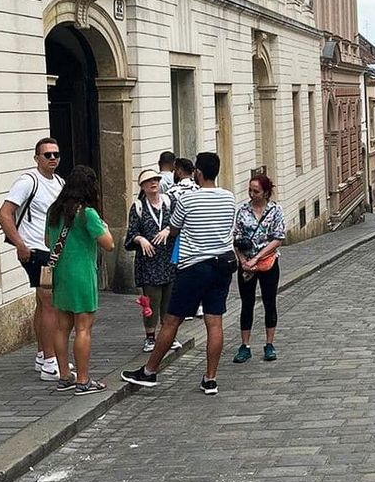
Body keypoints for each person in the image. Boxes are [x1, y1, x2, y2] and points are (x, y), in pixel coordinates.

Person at [121, 151, 237, 396]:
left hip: (195, 266)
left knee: (172, 320)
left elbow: (173, 229)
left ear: (199, 173)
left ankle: (150, 371)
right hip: (224, 264)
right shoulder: (229, 197)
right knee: (214, 322)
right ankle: (210, 379)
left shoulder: (189, 200)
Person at [0, 138, 66, 381]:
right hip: (36, 251)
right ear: (36, 158)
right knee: (50, 303)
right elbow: (4, 214)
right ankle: (49, 362)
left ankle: (41, 355)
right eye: (46, 155)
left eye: (56, 154)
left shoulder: (59, 182)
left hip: (52, 251)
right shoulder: (28, 181)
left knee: (43, 301)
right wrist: (20, 244)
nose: (52, 159)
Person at [45, 165, 114, 392]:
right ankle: (83, 380)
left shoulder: (54, 211)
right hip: (82, 275)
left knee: (61, 328)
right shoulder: (87, 213)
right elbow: (109, 244)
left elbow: (48, 242)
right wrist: (104, 226)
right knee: (83, 328)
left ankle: (65, 376)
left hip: (61, 274)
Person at [124, 168, 179, 354]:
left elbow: (181, 223)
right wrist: (141, 239)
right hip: (149, 261)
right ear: (142, 187)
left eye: (155, 180)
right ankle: (150, 337)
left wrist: (168, 230)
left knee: (170, 300)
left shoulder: (169, 202)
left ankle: (168, 336)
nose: (153, 183)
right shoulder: (138, 207)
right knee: (151, 301)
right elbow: (131, 234)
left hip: (169, 259)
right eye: (148, 182)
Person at [233, 174, 286, 364]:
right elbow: (236, 239)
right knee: (246, 304)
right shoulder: (243, 211)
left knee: (269, 301)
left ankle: (269, 344)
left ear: (265, 192)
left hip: (268, 263)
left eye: (256, 191)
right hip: (246, 265)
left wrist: (257, 258)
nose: (252, 194)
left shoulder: (275, 210)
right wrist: (243, 262)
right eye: (250, 190)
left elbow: (278, 238)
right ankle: (245, 346)